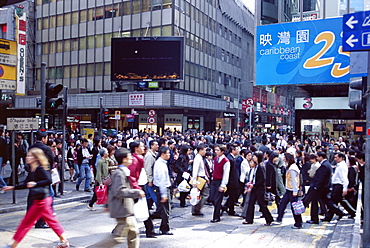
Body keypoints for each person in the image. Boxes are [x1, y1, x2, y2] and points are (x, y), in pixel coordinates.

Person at [2, 148, 69, 248]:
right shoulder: (32, 169)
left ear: (36, 158)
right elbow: (26, 184)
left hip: (43, 200)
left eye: (29, 156)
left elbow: (48, 180)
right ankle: (64, 241)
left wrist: (35, 183)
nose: (27, 157)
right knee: (35, 222)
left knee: (31, 223)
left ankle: (13, 245)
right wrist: (12, 187)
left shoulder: (40, 168)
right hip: (38, 200)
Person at [87, 148, 145, 248]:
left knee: (133, 232)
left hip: (125, 208)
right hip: (122, 208)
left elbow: (111, 189)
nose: (131, 159)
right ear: (124, 159)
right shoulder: (119, 173)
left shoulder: (122, 171)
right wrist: (136, 192)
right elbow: (119, 191)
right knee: (117, 237)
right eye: (129, 157)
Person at [243, 151, 273, 226]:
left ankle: (269, 219)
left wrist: (255, 185)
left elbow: (262, 179)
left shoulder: (261, 166)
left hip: (259, 189)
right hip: (255, 187)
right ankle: (249, 219)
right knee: (251, 203)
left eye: (255, 157)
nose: (253, 158)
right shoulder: (256, 166)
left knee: (262, 204)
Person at [323, 153, 356, 220]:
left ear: (341, 158)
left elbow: (344, 178)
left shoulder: (342, 166)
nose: (335, 159)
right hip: (336, 185)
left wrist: (344, 188)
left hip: (338, 185)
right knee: (341, 200)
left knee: (332, 202)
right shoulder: (339, 165)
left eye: (336, 157)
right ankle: (352, 212)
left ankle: (332, 216)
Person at [275, 152, 303, 229]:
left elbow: (294, 180)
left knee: (295, 207)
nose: (283, 159)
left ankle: (298, 223)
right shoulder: (290, 166)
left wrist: (295, 191)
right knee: (282, 203)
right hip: (288, 189)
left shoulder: (292, 168)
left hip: (292, 190)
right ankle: (279, 218)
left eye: (284, 157)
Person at [153, 146, 173, 235]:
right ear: (163, 154)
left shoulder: (162, 163)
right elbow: (162, 181)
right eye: (168, 153)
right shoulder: (160, 164)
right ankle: (165, 228)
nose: (169, 155)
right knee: (166, 210)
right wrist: (164, 194)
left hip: (163, 188)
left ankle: (163, 227)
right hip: (163, 189)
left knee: (164, 209)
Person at [209, 144, 230, 223]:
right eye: (215, 150)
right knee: (211, 198)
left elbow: (226, 174)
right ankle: (222, 207)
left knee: (217, 200)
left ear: (222, 151)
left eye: (218, 150)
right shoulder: (215, 159)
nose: (216, 152)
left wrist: (223, 185)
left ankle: (216, 217)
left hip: (220, 181)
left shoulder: (226, 161)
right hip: (214, 180)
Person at [191, 145, 210, 216]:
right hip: (199, 179)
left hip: (202, 178)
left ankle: (195, 209)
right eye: (204, 150)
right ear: (201, 150)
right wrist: (194, 181)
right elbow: (195, 170)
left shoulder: (200, 158)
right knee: (205, 194)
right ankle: (196, 209)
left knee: (198, 194)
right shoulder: (198, 158)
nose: (205, 152)